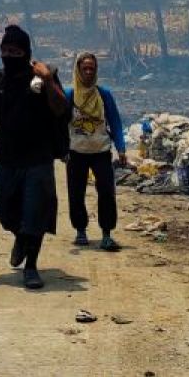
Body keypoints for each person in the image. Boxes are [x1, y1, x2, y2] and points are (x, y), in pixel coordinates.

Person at [0, 24, 68, 290]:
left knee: (35, 213)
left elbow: (61, 108)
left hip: (38, 158)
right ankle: (21, 237)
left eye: (14, 51)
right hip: (5, 157)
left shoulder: (40, 78)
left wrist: (49, 80)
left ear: (26, 52)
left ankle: (31, 266)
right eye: (4, 50)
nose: (8, 55)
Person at [65, 52, 127, 252]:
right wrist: (60, 149)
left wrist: (122, 148)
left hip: (101, 150)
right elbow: (59, 123)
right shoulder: (69, 95)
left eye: (92, 68)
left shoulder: (104, 94)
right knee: (76, 192)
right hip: (76, 151)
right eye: (85, 68)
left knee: (107, 192)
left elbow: (115, 122)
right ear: (78, 70)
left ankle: (106, 234)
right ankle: (80, 231)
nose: (89, 72)